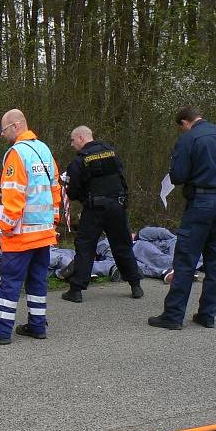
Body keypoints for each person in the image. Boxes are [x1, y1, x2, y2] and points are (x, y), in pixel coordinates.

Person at [0, 109, 60, 345]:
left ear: (16, 126)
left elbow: (13, 196)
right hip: (44, 231)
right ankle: (37, 325)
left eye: (3, 130)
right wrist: (54, 220)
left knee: (10, 282)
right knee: (38, 280)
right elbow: (55, 190)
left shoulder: (16, 154)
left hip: (21, 234)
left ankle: (1, 331)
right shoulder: (44, 150)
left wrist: (5, 227)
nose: (2, 135)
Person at [149, 105, 216, 330]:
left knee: (186, 259)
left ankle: (173, 315)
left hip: (201, 202)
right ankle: (207, 314)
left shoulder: (189, 139)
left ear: (184, 123)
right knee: (215, 260)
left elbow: (178, 175)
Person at [61, 126, 143, 303]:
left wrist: (83, 197)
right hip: (117, 205)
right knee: (122, 244)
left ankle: (76, 290)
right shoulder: (111, 153)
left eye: (73, 140)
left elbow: (72, 191)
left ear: (81, 138)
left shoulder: (79, 161)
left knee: (85, 246)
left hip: (94, 208)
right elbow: (122, 178)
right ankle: (135, 285)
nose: (72, 144)